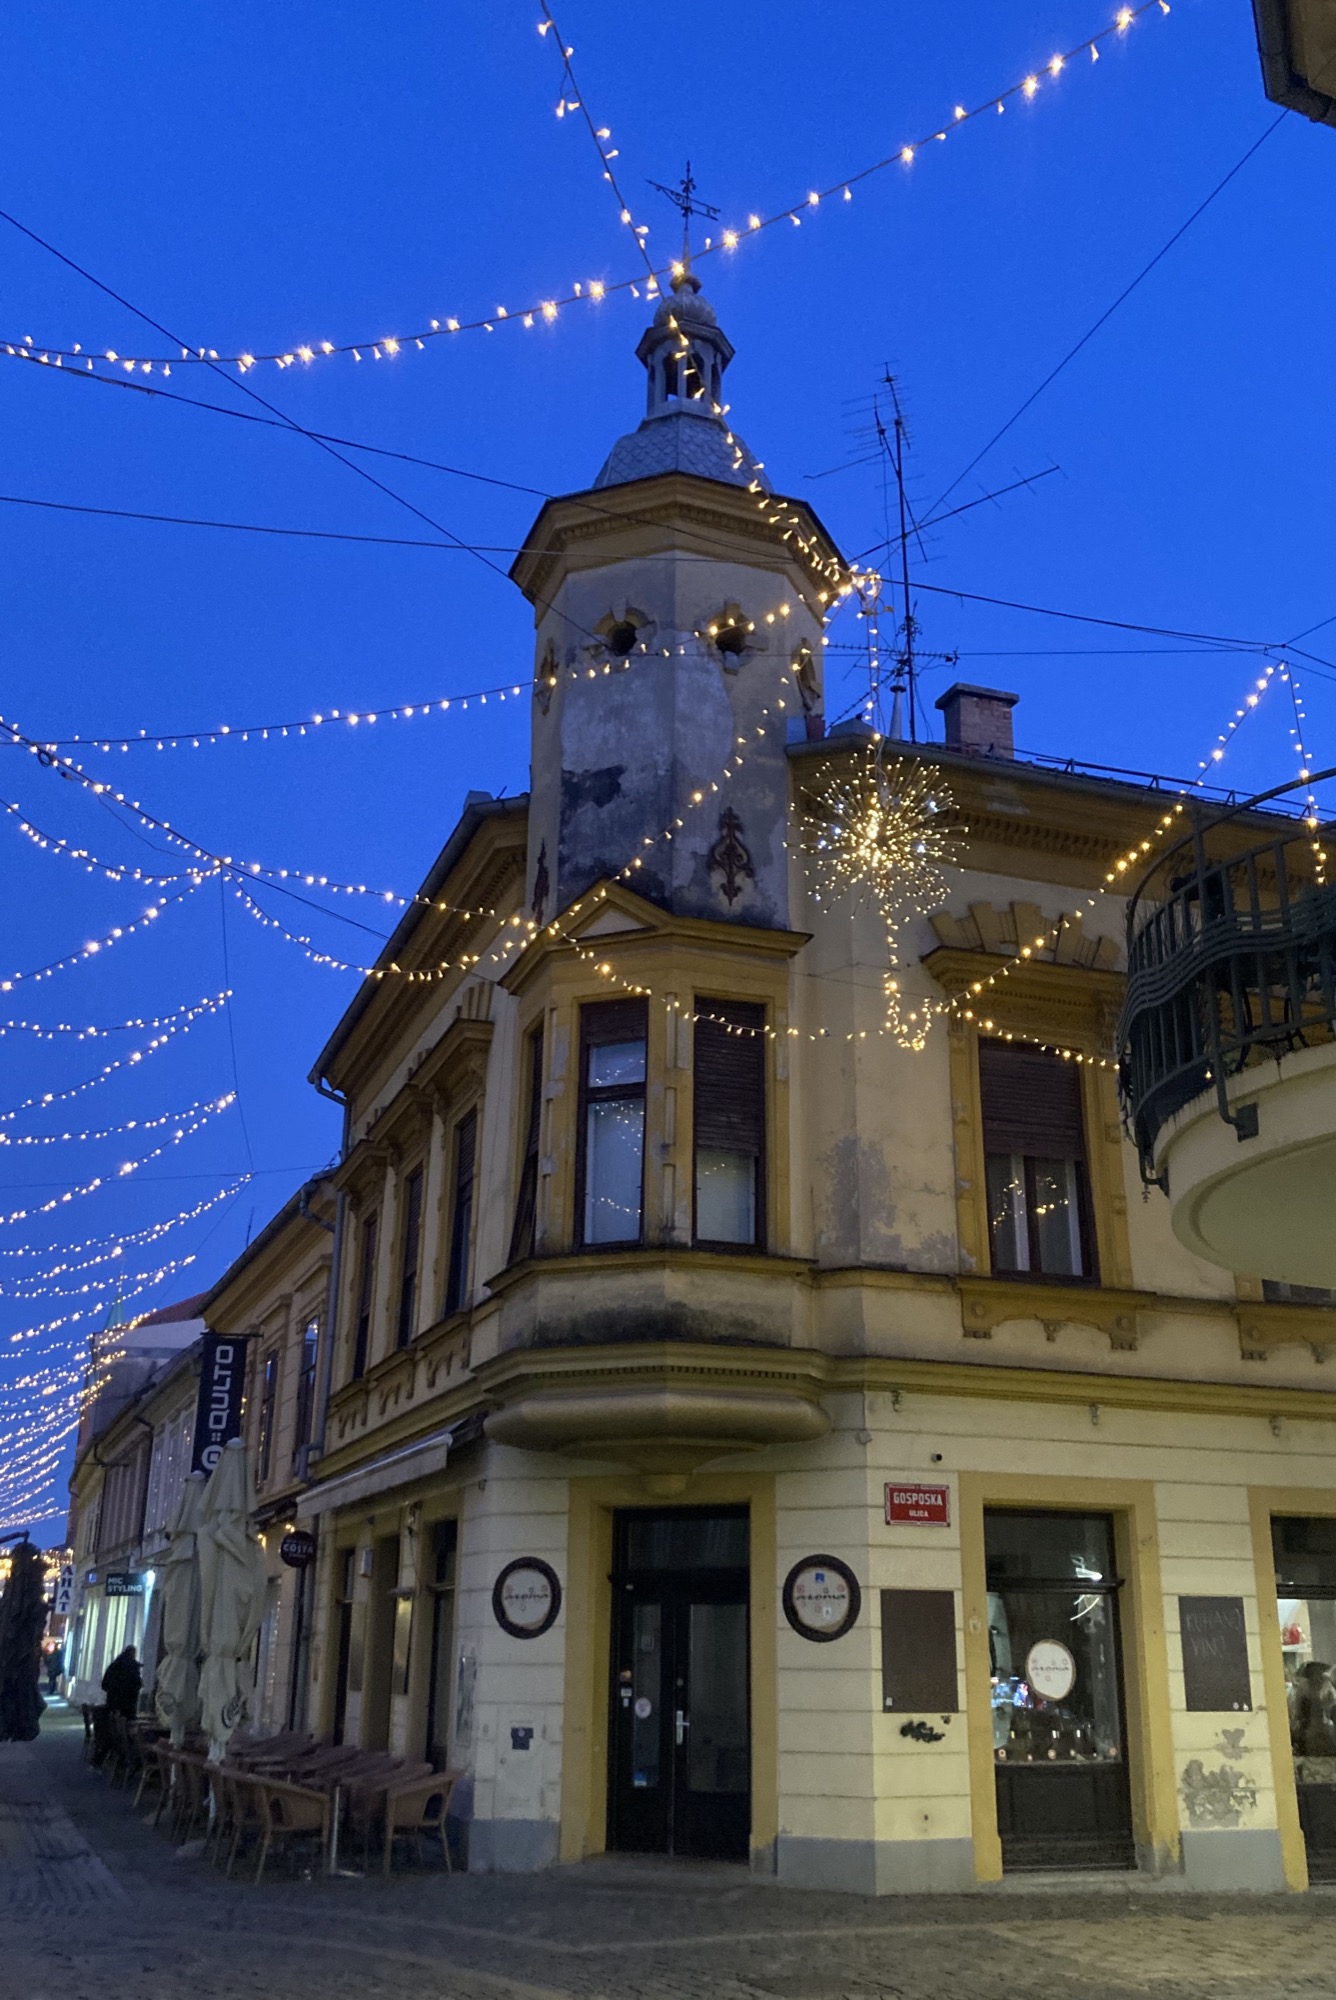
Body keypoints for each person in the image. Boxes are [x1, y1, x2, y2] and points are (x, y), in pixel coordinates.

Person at [100, 1646, 141, 1721]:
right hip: (128, 1707)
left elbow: (104, 1685)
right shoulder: (133, 1667)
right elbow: (137, 1685)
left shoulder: (113, 1666)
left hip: (112, 1705)